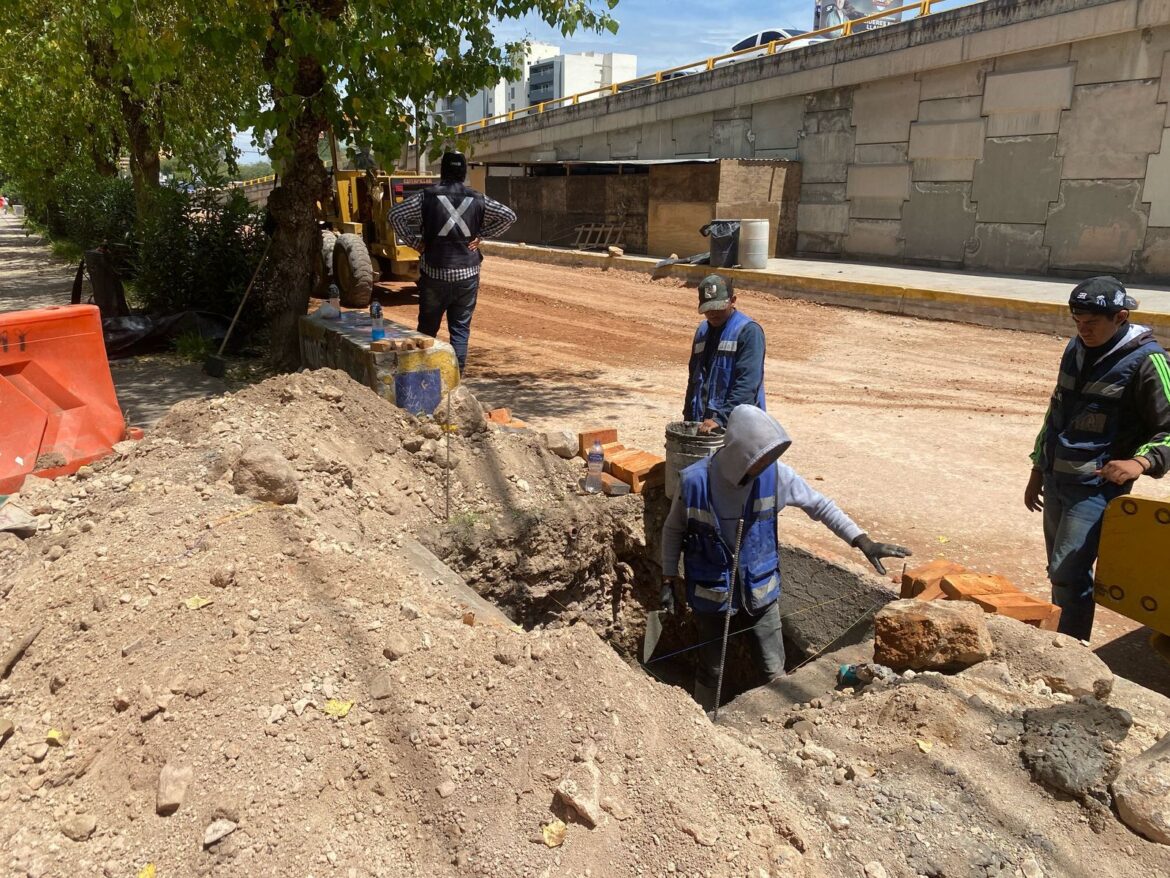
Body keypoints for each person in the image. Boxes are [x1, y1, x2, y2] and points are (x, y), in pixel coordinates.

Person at [661, 404, 911, 710]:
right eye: (760, 457)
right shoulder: (694, 482)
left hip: (760, 590)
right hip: (712, 592)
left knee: (773, 668)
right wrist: (668, 576)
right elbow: (673, 530)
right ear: (739, 453)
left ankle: (777, 721)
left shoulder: (775, 476)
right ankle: (702, 721)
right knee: (711, 668)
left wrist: (862, 540)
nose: (767, 464)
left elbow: (821, 506)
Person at [1025, 276, 1170, 640]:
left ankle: (1070, 651)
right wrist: (1038, 467)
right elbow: (1056, 412)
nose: (1082, 329)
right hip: (1058, 481)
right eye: (1077, 320)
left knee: (1068, 573)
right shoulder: (1075, 348)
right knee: (1061, 572)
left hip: (1096, 489)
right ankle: (1065, 645)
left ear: (1121, 317)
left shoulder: (1149, 361)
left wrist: (1140, 463)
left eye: (1091, 323)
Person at [389, 151, 516, 373]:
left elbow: (394, 215)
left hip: (434, 274)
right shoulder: (478, 198)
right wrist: (482, 235)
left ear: (442, 171)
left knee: (427, 329)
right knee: (460, 331)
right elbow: (509, 216)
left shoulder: (425, 196)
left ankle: (422, 376)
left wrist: (414, 243)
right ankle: (456, 380)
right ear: (464, 172)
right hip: (467, 274)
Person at [684, 274, 766, 435]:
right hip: (704, 422)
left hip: (737, 425)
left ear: (733, 300)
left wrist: (721, 418)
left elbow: (748, 383)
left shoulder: (748, 331)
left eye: (719, 307)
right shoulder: (702, 331)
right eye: (708, 309)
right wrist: (688, 415)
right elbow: (694, 379)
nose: (713, 313)